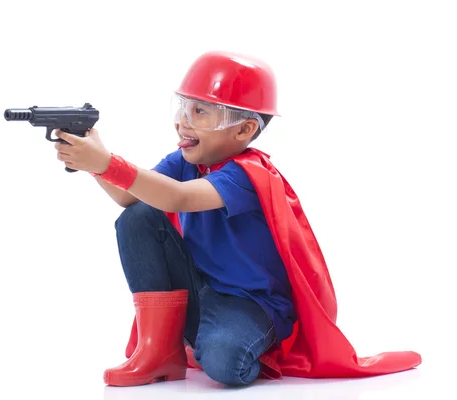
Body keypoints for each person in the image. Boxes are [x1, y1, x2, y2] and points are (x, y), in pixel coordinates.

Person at [53, 51, 422, 387]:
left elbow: (178, 198)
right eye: (183, 108)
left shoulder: (246, 174)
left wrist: (106, 163)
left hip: (250, 303)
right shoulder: (185, 161)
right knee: (138, 217)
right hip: (201, 290)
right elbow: (129, 196)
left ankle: (246, 343)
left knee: (226, 364)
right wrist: (91, 161)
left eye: (200, 113)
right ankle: (159, 351)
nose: (183, 123)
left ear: (244, 130)